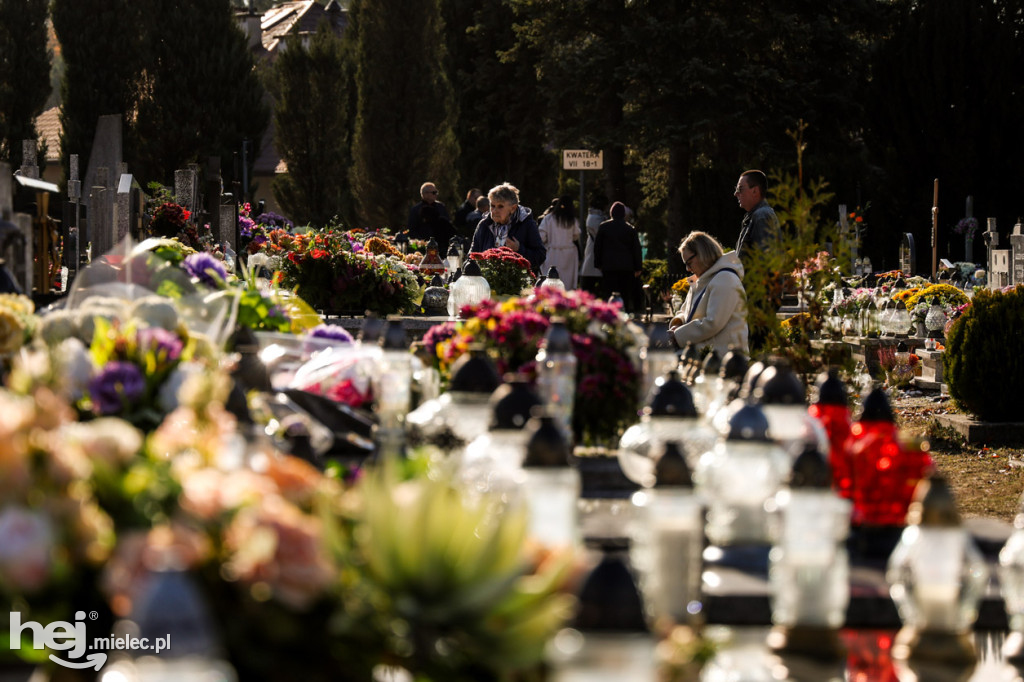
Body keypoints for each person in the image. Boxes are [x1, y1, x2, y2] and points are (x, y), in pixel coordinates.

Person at [669, 231, 748, 357]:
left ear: (702, 255)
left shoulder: (725, 278)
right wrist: (678, 323)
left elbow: (712, 323)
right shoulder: (702, 279)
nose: (688, 269)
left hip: (726, 359)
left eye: (689, 263)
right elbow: (686, 312)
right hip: (708, 354)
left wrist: (678, 335)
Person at [470, 182, 546, 272]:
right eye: (492, 206)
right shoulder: (484, 224)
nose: (494, 211)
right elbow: (472, 255)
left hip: (516, 282)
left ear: (513, 208)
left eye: (500, 206)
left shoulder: (527, 224)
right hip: (486, 281)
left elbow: (540, 256)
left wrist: (519, 249)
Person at [593, 201, 642, 313]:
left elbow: (597, 247)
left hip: (608, 266)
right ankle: (624, 315)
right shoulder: (630, 229)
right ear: (624, 214)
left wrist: (598, 263)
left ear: (611, 213)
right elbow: (636, 249)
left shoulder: (604, 227)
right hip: (626, 267)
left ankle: (609, 316)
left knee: (609, 293)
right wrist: (638, 267)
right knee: (624, 294)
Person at [734, 169, 780, 262]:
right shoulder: (757, 215)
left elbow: (766, 262)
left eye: (740, 189)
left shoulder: (761, 216)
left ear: (755, 191)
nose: (736, 193)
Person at [536, 195, 581, 288]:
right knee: (566, 282)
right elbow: (576, 235)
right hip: (568, 255)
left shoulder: (548, 218)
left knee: (549, 282)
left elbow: (542, 237)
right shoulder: (572, 220)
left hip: (552, 253)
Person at [579, 195, 606, 293]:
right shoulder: (596, 217)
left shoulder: (593, 216)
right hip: (595, 251)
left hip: (592, 250)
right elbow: (600, 233)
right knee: (592, 280)